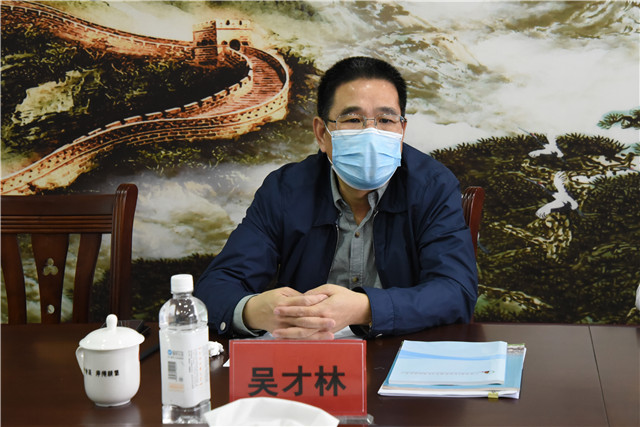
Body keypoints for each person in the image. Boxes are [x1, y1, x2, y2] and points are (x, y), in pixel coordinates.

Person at [194, 56, 477, 339]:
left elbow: (456, 291)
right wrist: (254, 310)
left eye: (386, 120)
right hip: (306, 353)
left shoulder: (432, 186)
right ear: (322, 133)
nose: (371, 133)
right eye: (353, 119)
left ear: (401, 131)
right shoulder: (285, 190)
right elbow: (216, 286)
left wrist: (364, 308)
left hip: (398, 349)